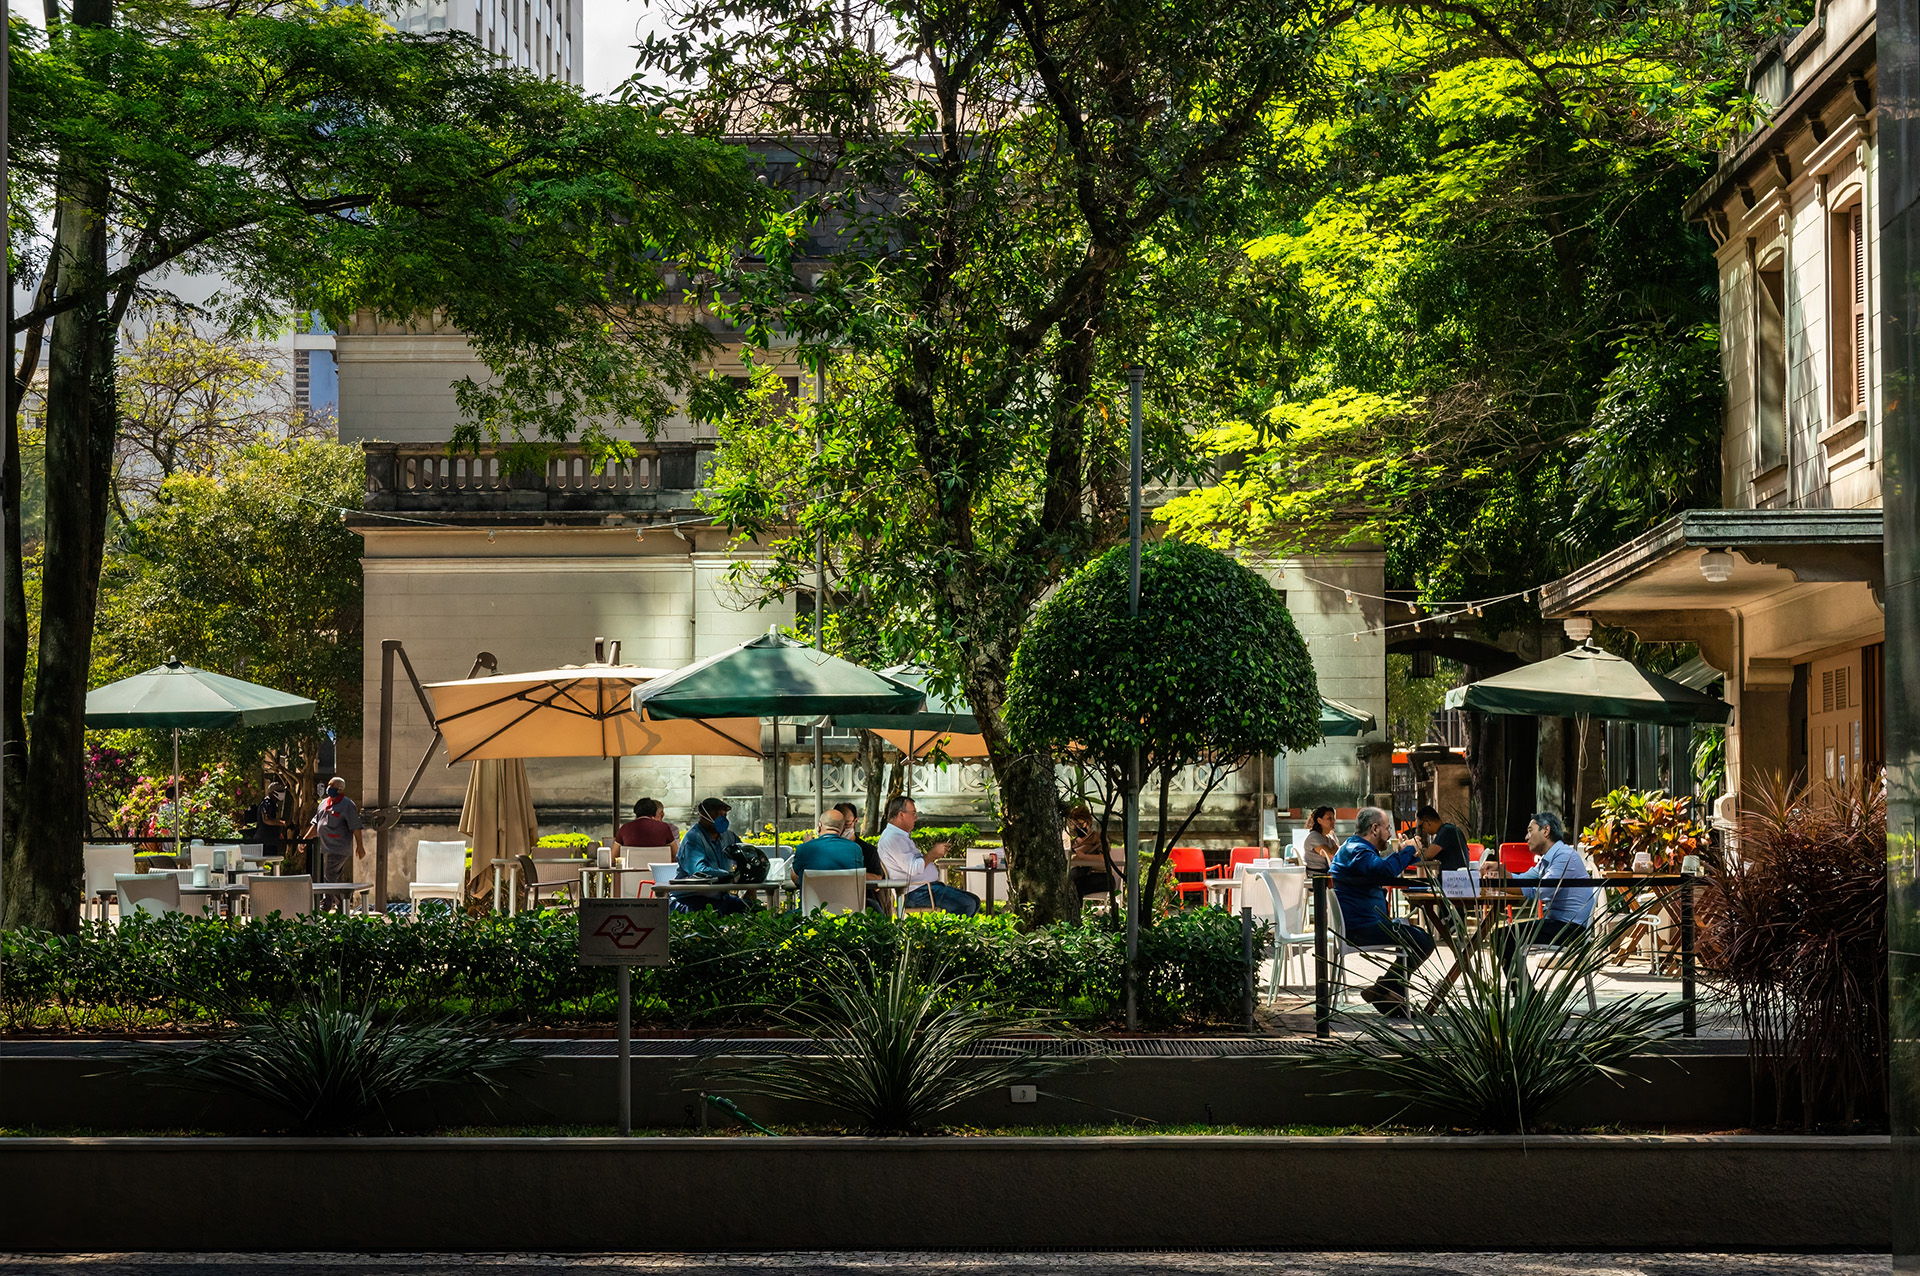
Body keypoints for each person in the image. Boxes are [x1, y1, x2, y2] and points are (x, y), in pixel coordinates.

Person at [1330, 805, 1443, 1016]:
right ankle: (1387, 988)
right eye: (1388, 828)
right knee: (1423, 940)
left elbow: (1381, 868)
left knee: (1417, 936)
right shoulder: (1357, 851)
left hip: (1363, 924)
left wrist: (1407, 853)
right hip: (1362, 928)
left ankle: (1388, 992)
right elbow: (1384, 871)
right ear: (1375, 829)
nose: (1390, 834)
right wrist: (1408, 849)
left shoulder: (1355, 849)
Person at [1493, 811, 1598, 967]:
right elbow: (1524, 879)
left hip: (1570, 930)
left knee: (1503, 936)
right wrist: (1501, 871)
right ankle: (1521, 983)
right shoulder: (1549, 859)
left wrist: (1499, 884)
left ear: (1546, 831)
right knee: (1502, 935)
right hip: (1557, 924)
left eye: (1530, 831)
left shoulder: (1564, 856)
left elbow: (1540, 891)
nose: (1526, 837)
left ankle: (1520, 983)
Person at [877, 795, 978, 916]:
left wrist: (933, 855)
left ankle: (954, 927)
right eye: (913, 813)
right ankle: (950, 928)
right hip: (915, 893)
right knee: (968, 904)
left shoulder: (899, 836)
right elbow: (913, 868)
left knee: (974, 901)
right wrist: (932, 854)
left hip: (924, 889)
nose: (916, 817)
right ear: (901, 815)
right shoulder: (893, 838)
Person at [672, 797, 748, 914]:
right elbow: (699, 871)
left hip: (720, 897)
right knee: (714, 915)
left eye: (724, 815)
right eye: (717, 815)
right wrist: (729, 876)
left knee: (753, 910)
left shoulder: (729, 836)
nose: (722, 819)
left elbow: (745, 855)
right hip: (691, 898)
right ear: (703, 816)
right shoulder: (693, 838)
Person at [792, 809, 877, 895]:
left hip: (813, 903)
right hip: (847, 903)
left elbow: (795, 877)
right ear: (843, 828)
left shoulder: (804, 849)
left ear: (820, 825)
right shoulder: (855, 849)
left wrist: (807, 845)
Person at [304, 776, 365, 884]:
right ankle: (337, 895)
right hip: (323, 847)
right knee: (328, 877)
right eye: (329, 785)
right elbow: (316, 824)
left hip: (338, 848)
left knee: (330, 875)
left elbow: (355, 826)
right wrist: (304, 840)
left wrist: (360, 845)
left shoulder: (347, 805)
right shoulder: (323, 803)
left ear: (340, 789)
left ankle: (330, 895)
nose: (329, 787)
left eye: (332, 785)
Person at [1064, 806, 1115, 898]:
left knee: (1077, 886)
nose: (1077, 827)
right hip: (1080, 874)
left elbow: (1104, 858)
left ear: (1088, 822)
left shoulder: (1097, 837)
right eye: (1074, 825)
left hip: (1102, 876)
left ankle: (1074, 906)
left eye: (1080, 824)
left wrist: (1084, 856)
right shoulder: (1073, 842)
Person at [1414, 804, 1470, 872]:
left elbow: (1428, 855)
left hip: (1453, 876)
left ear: (1427, 821)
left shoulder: (1446, 831)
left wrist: (1414, 852)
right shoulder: (1448, 829)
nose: (1423, 830)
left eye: (1421, 826)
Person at [1302, 806, 1339, 871]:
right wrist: (1334, 849)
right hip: (1317, 875)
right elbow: (1331, 855)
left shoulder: (1329, 837)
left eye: (1333, 818)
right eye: (1329, 818)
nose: (1333, 821)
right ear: (1319, 820)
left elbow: (1338, 853)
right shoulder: (1314, 837)